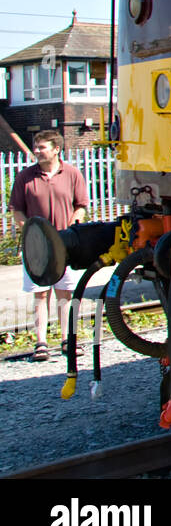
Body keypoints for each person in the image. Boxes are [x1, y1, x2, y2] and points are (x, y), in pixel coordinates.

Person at [8, 130, 89, 361]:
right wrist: (31, 232)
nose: (36, 151)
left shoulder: (72, 174)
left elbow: (81, 205)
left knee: (65, 293)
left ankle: (68, 339)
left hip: (66, 244)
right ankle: (41, 342)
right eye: (35, 147)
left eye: (42, 147)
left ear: (56, 149)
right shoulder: (25, 177)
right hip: (37, 247)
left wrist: (74, 224)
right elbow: (17, 210)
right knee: (40, 294)